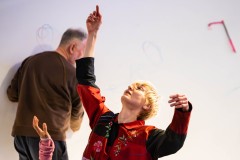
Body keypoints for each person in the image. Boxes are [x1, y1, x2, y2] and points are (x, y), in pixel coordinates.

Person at [33, 5, 192, 160]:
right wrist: (93, 34)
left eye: (139, 88)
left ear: (147, 105)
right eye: (132, 84)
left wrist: (183, 111)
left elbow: (173, 142)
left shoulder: (148, 136)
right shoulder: (102, 118)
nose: (131, 86)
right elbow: (86, 81)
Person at [7, 24, 86, 159]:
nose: (82, 57)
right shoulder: (72, 73)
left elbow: (12, 94)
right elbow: (77, 112)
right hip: (49, 139)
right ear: (72, 47)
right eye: (82, 52)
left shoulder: (30, 61)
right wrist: (75, 126)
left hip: (21, 137)